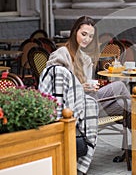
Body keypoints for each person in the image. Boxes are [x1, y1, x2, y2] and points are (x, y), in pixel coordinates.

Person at [39, 16, 131, 174]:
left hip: (88, 100)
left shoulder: (86, 58)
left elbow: (86, 88)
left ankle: (135, 139)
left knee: (124, 99)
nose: (87, 39)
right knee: (125, 98)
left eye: (90, 36)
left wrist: (89, 87)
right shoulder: (62, 54)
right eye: (84, 34)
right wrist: (81, 87)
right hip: (73, 105)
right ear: (75, 32)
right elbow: (56, 82)